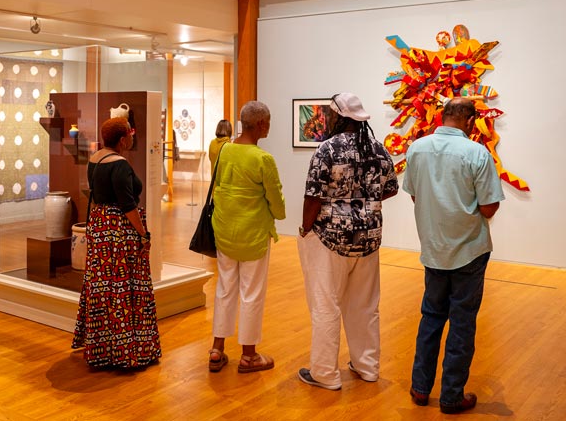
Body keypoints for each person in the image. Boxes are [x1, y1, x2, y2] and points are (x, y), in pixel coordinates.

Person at [403, 98, 504, 414]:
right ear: (471, 122)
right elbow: (488, 207)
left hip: (433, 249)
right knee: (462, 323)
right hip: (468, 251)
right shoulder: (476, 153)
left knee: (431, 317)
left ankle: (420, 388)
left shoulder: (416, 149)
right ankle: (451, 396)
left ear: (442, 116)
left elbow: (416, 195)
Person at [297, 92, 398, 390]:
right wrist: (364, 201)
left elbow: (312, 195)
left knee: (326, 304)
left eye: (329, 113)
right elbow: (390, 188)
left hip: (331, 238)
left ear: (340, 116)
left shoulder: (326, 149)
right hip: (368, 239)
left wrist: (305, 228)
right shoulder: (378, 149)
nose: (326, 118)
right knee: (365, 306)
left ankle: (325, 374)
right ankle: (367, 367)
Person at [72, 116, 161, 368]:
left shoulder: (95, 159)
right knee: (124, 287)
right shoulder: (119, 165)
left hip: (100, 227)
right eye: (130, 134)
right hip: (119, 232)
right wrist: (143, 234)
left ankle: (103, 350)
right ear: (123, 139)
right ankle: (127, 351)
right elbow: (128, 206)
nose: (132, 138)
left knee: (103, 287)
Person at [207, 101, 286, 373]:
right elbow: (275, 198)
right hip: (253, 234)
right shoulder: (262, 159)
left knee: (225, 288)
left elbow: (218, 186)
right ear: (262, 124)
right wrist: (280, 213)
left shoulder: (225, 151)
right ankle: (249, 355)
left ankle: (217, 349)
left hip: (225, 230)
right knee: (251, 293)